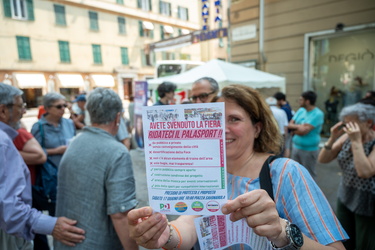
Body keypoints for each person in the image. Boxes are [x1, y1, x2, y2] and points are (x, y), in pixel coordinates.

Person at [127, 84, 348, 250]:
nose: (222, 129)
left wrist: (283, 232)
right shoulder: (207, 171)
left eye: (234, 119)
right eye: (216, 120)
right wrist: (165, 234)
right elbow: (190, 225)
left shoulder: (285, 173)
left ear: (257, 128)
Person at [0, 82, 85, 249]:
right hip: (47, 183)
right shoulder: (6, 141)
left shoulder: (68, 124)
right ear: (3, 110)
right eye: (20, 106)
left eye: (64, 106)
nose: (24, 111)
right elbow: (8, 205)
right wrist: (49, 225)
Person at [55, 88, 138, 250]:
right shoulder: (117, 152)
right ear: (118, 117)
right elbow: (120, 214)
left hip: (67, 243)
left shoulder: (74, 143)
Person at [318, 103, 375, 249]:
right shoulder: (346, 138)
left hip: (367, 201)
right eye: (345, 123)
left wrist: (357, 142)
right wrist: (332, 138)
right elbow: (323, 159)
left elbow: (365, 172)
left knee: (364, 243)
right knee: (344, 237)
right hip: (346, 195)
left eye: (351, 123)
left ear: (368, 123)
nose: (347, 127)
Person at [31, 92, 76, 216]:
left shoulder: (69, 123)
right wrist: (56, 151)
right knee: (56, 211)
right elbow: (35, 153)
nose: (63, 109)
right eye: (59, 106)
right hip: (51, 176)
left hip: (70, 174)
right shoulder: (39, 127)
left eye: (64, 106)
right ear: (47, 108)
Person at [288, 91, 324, 178]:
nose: (299, 101)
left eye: (301, 100)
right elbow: (289, 125)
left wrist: (293, 130)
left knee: (308, 175)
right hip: (296, 147)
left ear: (307, 101)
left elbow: (303, 132)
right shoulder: (301, 110)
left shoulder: (318, 114)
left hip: (309, 150)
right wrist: (298, 127)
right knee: (295, 173)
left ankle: (309, 191)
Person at [274, 91, 294, 157]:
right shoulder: (288, 106)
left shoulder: (284, 109)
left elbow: (285, 123)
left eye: (277, 100)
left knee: (286, 148)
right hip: (288, 131)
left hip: (286, 131)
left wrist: (285, 134)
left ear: (281, 100)